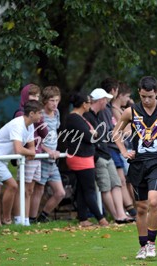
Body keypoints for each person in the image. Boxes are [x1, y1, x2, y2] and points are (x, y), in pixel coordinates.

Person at [112, 76, 157, 260]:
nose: (147, 100)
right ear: (139, 94)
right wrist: (124, 151)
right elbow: (115, 133)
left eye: (150, 96)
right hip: (138, 164)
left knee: (153, 201)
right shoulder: (131, 111)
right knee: (141, 208)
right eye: (143, 96)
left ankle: (152, 243)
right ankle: (142, 246)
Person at [0, 100, 43, 226]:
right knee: (13, 186)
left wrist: (31, 152)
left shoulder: (30, 125)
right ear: (31, 114)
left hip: (1, 158)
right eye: (40, 113)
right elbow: (18, 149)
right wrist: (31, 153)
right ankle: (7, 219)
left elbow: (32, 147)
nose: (41, 116)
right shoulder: (17, 124)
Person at [84, 88, 134, 224]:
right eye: (105, 99)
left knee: (116, 183)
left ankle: (121, 213)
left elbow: (104, 134)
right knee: (105, 186)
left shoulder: (101, 115)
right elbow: (93, 137)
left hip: (107, 153)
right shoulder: (88, 116)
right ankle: (116, 216)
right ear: (100, 100)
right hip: (99, 155)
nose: (106, 102)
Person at [65, 92, 109, 227]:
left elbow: (94, 134)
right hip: (81, 158)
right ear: (84, 105)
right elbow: (90, 137)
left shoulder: (80, 118)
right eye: (89, 102)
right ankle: (101, 219)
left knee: (82, 189)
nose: (90, 104)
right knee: (90, 189)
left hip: (85, 157)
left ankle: (83, 218)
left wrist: (95, 133)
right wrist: (94, 134)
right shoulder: (74, 118)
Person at [13, 84, 48, 226]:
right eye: (32, 95)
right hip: (26, 155)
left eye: (37, 96)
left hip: (36, 155)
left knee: (30, 190)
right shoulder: (21, 114)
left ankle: (26, 219)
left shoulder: (37, 117)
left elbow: (45, 134)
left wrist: (42, 119)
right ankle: (18, 219)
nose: (35, 99)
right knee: (23, 188)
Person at [29, 86, 65, 223]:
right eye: (51, 100)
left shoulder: (56, 113)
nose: (55, 104)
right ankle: (31, 219)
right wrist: (47, 151)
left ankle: (43, 216)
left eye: (57, 100)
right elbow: (35, 138)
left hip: (53, 159)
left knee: (60, 192)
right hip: (42, 157)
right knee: (39, 189)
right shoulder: (40, 115)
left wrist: (54, 150)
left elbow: (54, 133)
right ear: (45, 101)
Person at [110, 81, 137, 217]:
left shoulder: (122, 110)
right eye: (126, 96)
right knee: (124, 180)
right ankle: (131, 208)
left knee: (129, 180)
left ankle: (134, 207)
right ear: (119, 95)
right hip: (118, 149)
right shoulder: (115, 110)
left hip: (125, 147)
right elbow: (126, 130)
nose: (128, 100)